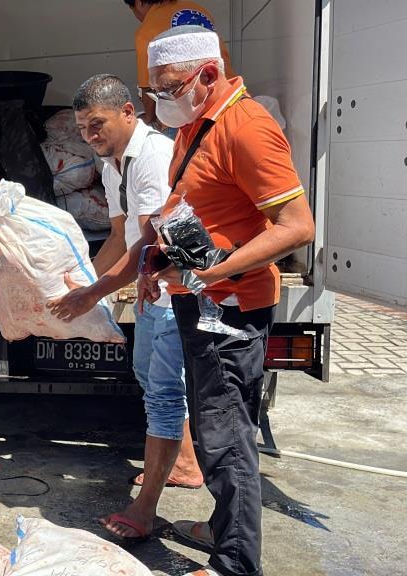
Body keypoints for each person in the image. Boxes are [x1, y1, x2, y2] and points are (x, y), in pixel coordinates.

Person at [139, 26, 315, 576]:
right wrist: (159, 262)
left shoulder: (246, 127)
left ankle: (235, 563)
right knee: (216, 425)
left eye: (169, 88)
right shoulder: (197, 124)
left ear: (208, 75)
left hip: (229, 309)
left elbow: (296, 227)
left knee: (224, 434)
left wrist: (216, 267)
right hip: (201, 299)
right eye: (157, 91)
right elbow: (199, 209)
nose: (162, 100)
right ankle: (223, 526)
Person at [49, 74, 202, 542]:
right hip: (151, 283)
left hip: (178, 285)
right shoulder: (113, 162)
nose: (90, 135)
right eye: (83, 128)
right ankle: (187, 464)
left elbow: (155, 242)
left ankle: (145, 508)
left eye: (97, 124)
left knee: (161, 391)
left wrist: (93, 295)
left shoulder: (152, 156)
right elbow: (121, 237)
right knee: (146, 374)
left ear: (128, 113)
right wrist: (79, 280)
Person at [124, 0, 234, 133]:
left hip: (193, 109)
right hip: (229, 92)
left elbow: (147, 87)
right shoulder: (198, 9)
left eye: (133, 10)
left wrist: (149, 119)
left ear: (138, 3)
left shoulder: (147, 29)